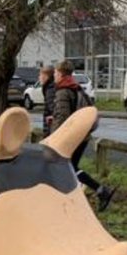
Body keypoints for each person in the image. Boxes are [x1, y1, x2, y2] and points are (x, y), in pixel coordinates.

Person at [51, 59, 114, 211]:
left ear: (60, 73)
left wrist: (54, 138)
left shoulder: (63, 91)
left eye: (55, 72)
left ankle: (98, 191)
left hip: (71, 138)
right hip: (82, 135)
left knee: (68, 168)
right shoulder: (77, 88)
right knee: (69, 168)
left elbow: (62, 117)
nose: (54, 75)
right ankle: (86, 195)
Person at [38, 64, 55, 137]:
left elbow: (52, 108)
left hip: (50, 127)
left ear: (46, 76)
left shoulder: (50, 89)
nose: (39, 78)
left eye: (40, 75)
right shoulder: (49, 88)